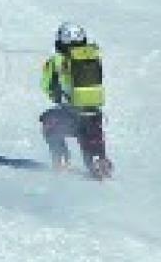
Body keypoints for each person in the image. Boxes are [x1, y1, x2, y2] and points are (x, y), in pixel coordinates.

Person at [40, 22, 113, 178]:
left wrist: (59, 97)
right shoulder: (93, 56)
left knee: (48, 122)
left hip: (71, 113)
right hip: (94, 112)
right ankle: (100, 160)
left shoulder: (56, 60)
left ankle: (61, 158)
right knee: (92, 137)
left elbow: (46, 85)